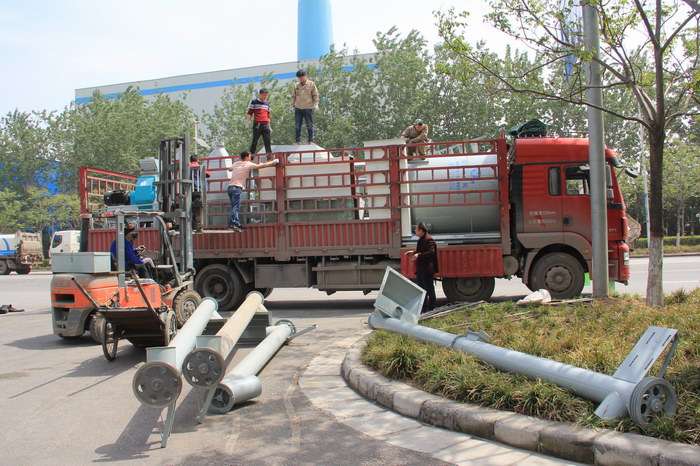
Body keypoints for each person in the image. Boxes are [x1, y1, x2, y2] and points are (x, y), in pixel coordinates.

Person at [227, 151, 279, 232]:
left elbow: (229, 169)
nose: (251, 157)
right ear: (247, 157)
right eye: (250, 156)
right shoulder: (248, 164)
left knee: (234, 206)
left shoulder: (237, 163)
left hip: (230, 187)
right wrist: (274, 162)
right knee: (235, 207)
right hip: (237, 188)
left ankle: (236, 224)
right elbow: (262, 166)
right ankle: (232, 224)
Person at [404, 222, 439, 313]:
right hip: (421, 270)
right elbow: (421, 251)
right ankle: (423, 309)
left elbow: (431, 252)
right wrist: (413, 252)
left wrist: (419, 254)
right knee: (422, 290)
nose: (415, 231)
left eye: (416, 229)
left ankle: (431, 309)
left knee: (429, 289)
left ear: (421, 230)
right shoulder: (422, 239)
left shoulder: (429, 239)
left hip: (427, 270)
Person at [291, 70, 319, 144]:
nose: (301, 79)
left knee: (309, 125)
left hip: (308, 107)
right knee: (297, 126)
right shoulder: (296, 85)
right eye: (299, 78)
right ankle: (297, 140)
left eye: (302, 77)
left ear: (305, 76)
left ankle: (310, 140)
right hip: (298, 108)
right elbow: (293, 96)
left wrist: (316, 104)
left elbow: (315, 95)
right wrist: (292, 105)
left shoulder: (311, 84)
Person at [246, 88, 272, 155]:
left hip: (266, 124)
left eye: (266, 95)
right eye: (263, 95)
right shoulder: (254, 102)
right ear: (260, 95)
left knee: (267, 142)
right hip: (258, 124)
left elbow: (268, 115)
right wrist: (247, 123)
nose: (265, 97)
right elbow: (250, 112)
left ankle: (269, 157)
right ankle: (251, 157)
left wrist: (269, 126)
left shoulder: (267, 103)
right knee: (255, 142)